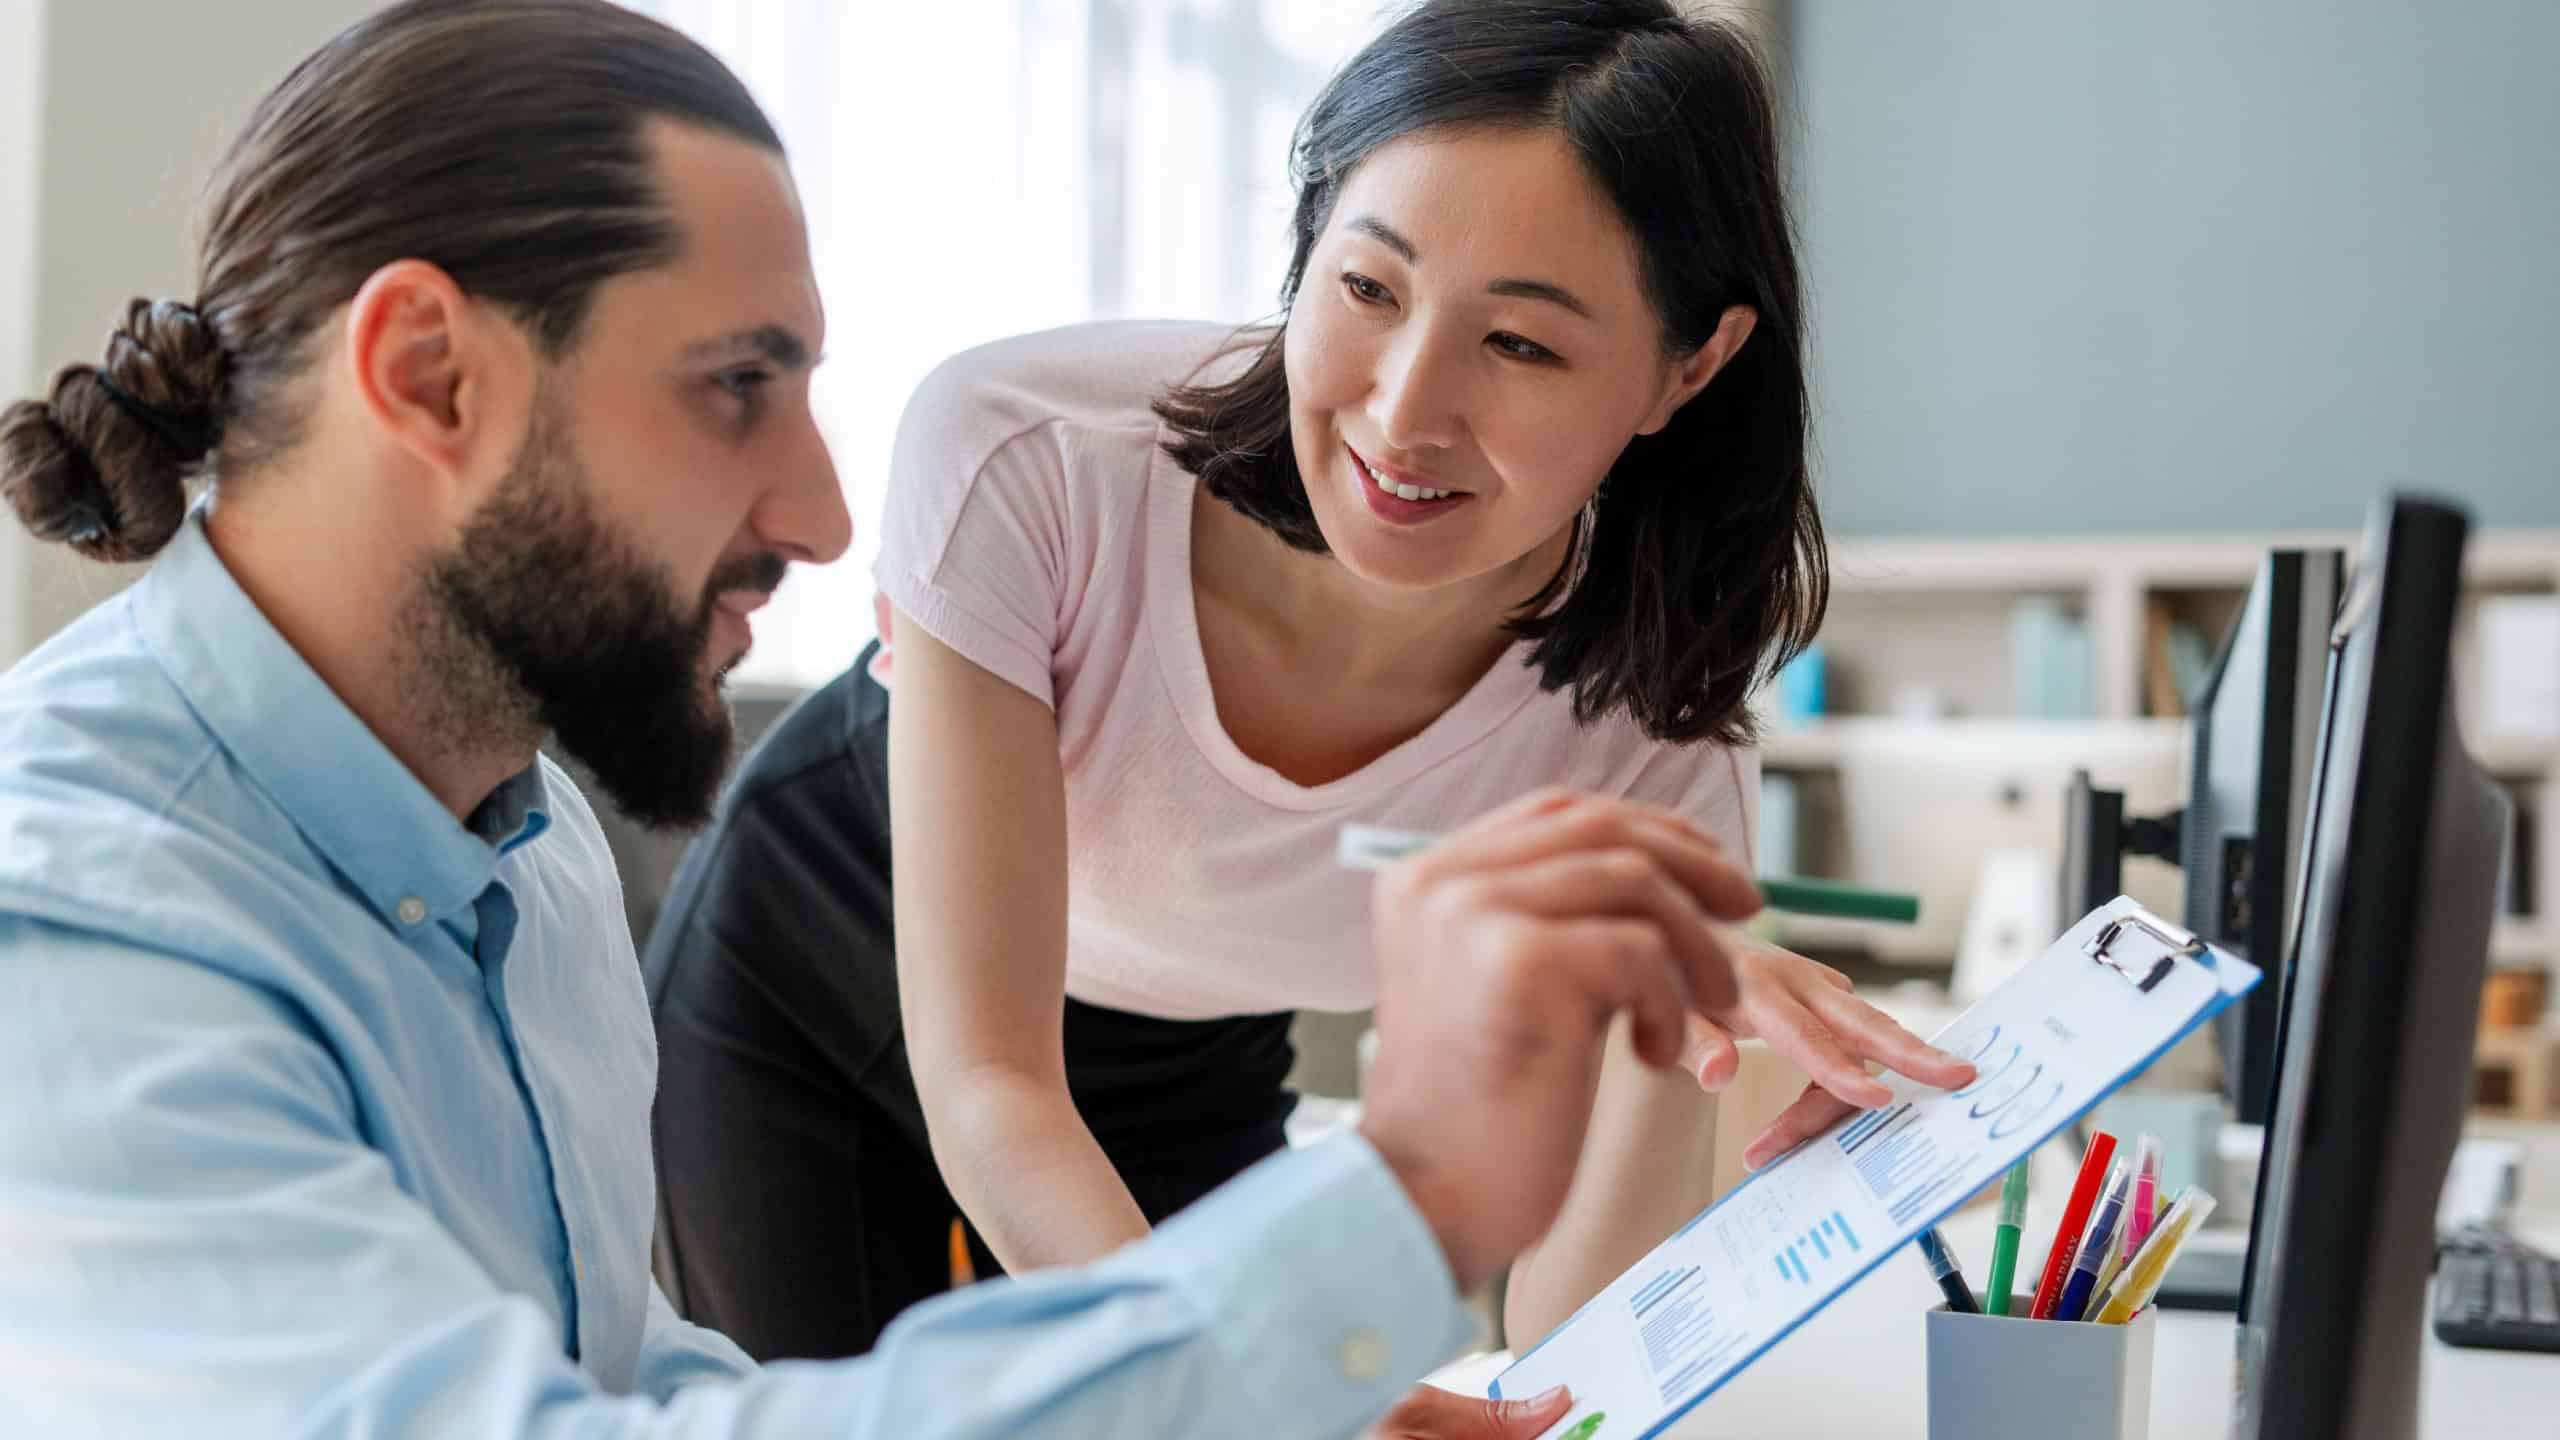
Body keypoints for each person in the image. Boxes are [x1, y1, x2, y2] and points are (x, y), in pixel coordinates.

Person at [0, 3, 1768, 1435]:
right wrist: (1393, 1206)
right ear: (429, 377)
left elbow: (628, 1375)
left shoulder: (512, 854)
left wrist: (1284, 1359)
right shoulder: (82, 929)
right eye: (735, 388)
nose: (832, 521)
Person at [644, 0, 1978, 1396]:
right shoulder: (1028, 454)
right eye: (1370, 290)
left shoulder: (1649, 745)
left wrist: (1668, 1024)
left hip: (1188, 1046)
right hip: (835, 964)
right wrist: (1247, 1388)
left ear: (1690, 366)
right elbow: (994, 1090)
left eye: (1520, 345)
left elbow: (1566, 1346)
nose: (1406, 414)